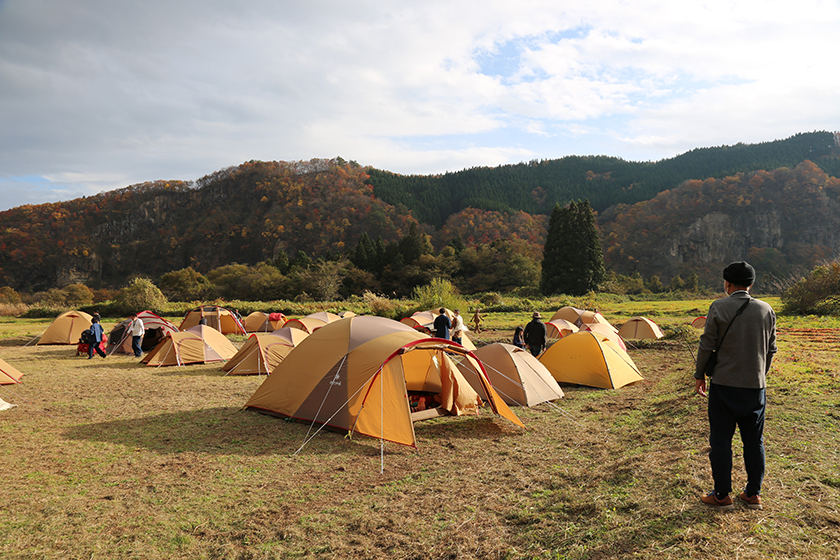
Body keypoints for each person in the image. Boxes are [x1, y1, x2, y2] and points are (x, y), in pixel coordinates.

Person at [695, 261, 777, 511]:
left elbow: (707, 344)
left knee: (721, 441)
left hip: (724, 386)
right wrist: (760, 375)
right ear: (751, 284)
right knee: (755, 442)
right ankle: (753, 494)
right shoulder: (766, 309)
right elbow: (771, 349)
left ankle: (721, 496)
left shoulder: (719, 307)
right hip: (755, 388)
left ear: (727, 284)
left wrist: (700, 375)